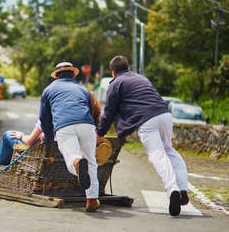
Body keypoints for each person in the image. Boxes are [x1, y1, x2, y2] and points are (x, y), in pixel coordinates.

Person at [96, 55, 188, 216]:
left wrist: (99, 134)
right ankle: (182, 188)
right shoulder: (141, 78)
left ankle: (173, 190)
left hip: (147, 121)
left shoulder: (115, 83)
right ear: (128, 68)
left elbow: (108, 113)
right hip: (164, 115)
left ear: (113, 72)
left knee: (157, 155)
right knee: (169, 151)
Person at [39, 62, 101, 212]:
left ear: (56, 77)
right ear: (73, 75)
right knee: (91, 161)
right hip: (87, 124)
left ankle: (78, 163)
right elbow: (92, 110)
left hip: (64, 126)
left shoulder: (48, 90)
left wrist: (48, 136)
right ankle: (91, 200)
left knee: (72, 157)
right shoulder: (83, 89)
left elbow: (44, 118)